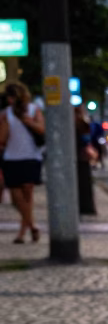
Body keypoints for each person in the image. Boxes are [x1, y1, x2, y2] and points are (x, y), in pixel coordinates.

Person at [0, 82, 45, 243]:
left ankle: (21, 233)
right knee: (17, 199)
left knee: (27, 195)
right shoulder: (6, 114)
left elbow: (42, 129)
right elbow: (3, 138)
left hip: (30, 157)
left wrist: (28, 122)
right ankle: (32, 225)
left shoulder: (33, 110)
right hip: (13, 158)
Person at [75, 107, 97, 215]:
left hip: (81, 157)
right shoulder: (81, 124)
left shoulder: (81, 124)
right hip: (81, 157)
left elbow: (87, 139)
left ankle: (84, 207)